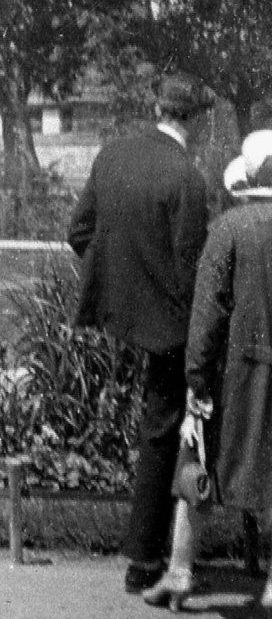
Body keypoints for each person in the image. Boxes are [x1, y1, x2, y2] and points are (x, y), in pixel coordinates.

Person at [67, 73, 212, 595]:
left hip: (114, 318)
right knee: (162, 434)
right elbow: (193, 273)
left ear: (156, 106)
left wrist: (118, 287)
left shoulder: (111, 155)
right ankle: (145, 560)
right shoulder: (187, 179)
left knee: (148, 429)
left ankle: (150, 554)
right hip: (168, 330)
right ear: (196, 119)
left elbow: (78, 232)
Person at [144, 131, 272, 608]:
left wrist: (196, 379)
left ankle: (179, 571)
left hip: (234, 376)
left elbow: (206, 317)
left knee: (196, 465)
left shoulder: (229, 229)